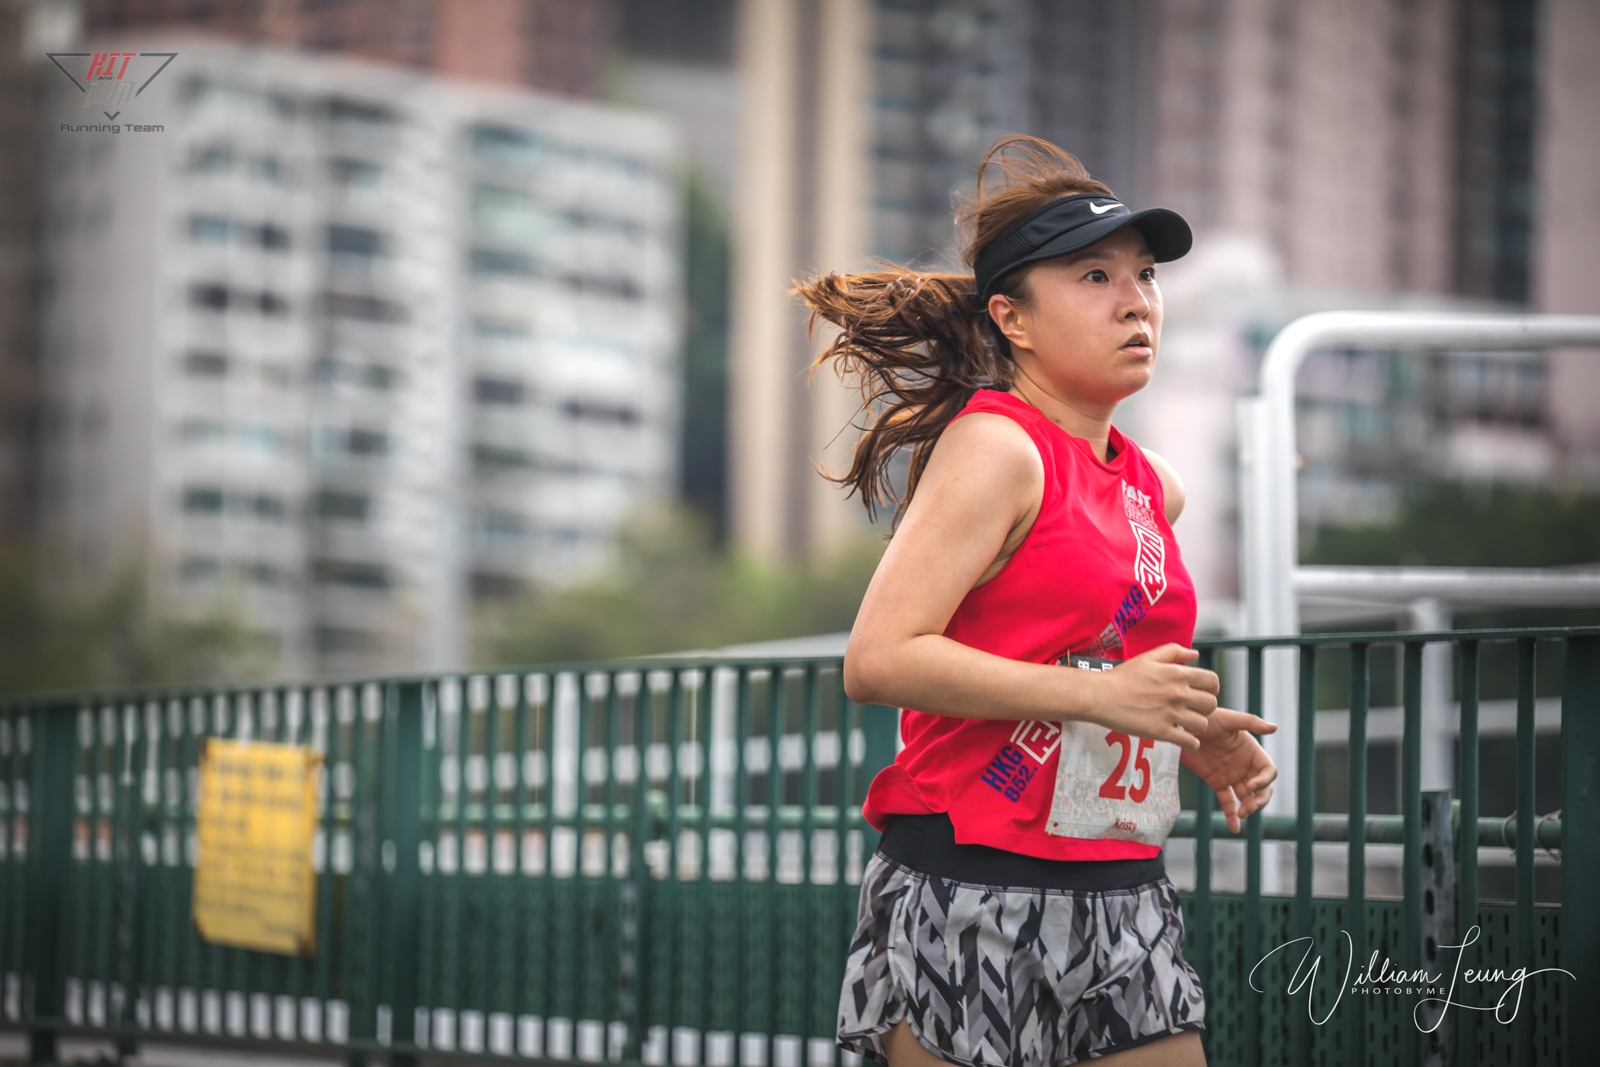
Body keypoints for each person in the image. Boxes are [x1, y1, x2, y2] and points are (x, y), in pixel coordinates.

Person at [797, 137, 1279, 1067]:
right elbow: (879, 657)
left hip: (1124, 890)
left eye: (1145, 275)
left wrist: (1181, 725)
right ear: (1011, 318)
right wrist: (1105, 697)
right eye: (1095, 276)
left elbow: (1090, 651)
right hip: (974, 884)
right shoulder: (998, 448)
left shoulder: (1155, 486)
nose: (1136, 300)